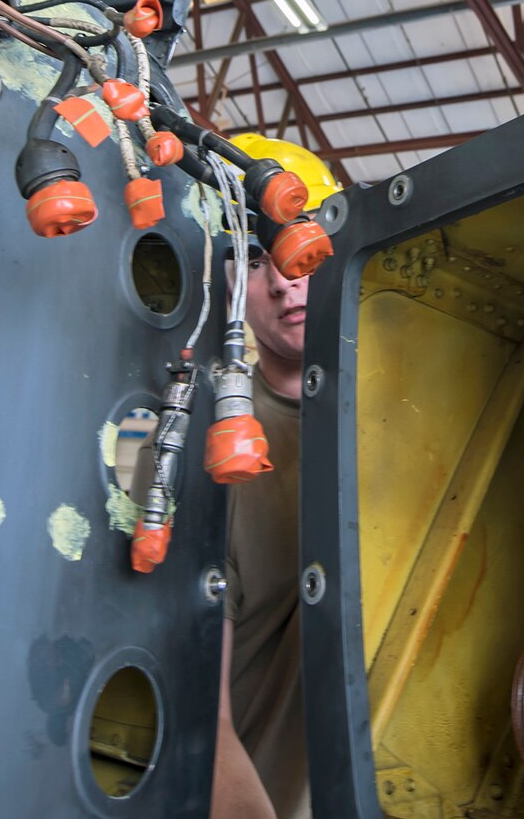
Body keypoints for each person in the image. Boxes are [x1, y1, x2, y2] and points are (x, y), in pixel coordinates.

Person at [212, 136, 340, 819]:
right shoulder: (214, 453)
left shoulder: (414, 405)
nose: (285, 280)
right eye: (255, 259)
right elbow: (205, 721)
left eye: (295, 247)